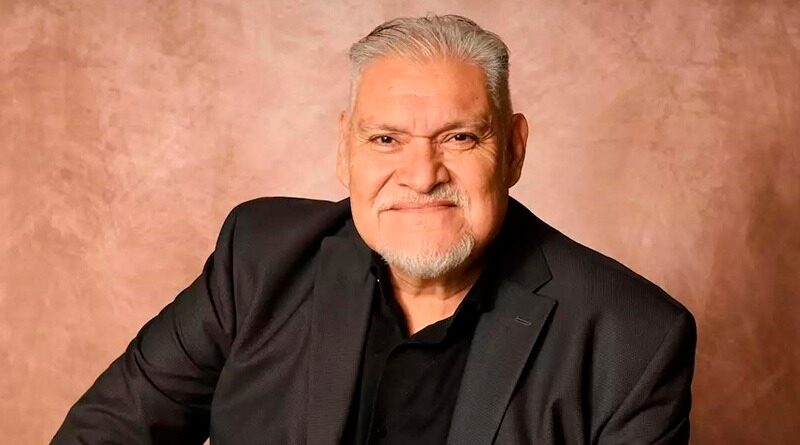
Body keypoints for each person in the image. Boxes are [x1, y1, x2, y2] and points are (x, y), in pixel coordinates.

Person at [53, 14, 696, 445]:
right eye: (386, 139)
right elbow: (106, 433)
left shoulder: (632, 339)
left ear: (514, 150)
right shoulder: (259, 259)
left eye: (459, 137)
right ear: (346, 149)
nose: (421, 175)